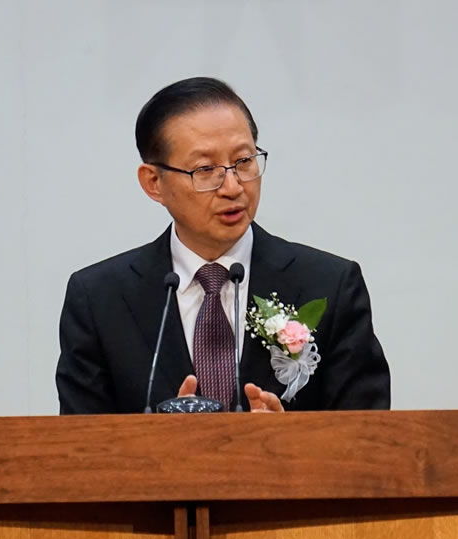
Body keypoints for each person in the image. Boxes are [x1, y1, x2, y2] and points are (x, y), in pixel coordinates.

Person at [56, 77, 389, 414]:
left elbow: (370, 434)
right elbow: (80, 440)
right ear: (154, 182)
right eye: (205, 169)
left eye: (244, 162)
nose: (232, 187)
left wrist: (288, 438)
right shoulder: (99, 299)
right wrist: (160, 440)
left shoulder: (330, 284)